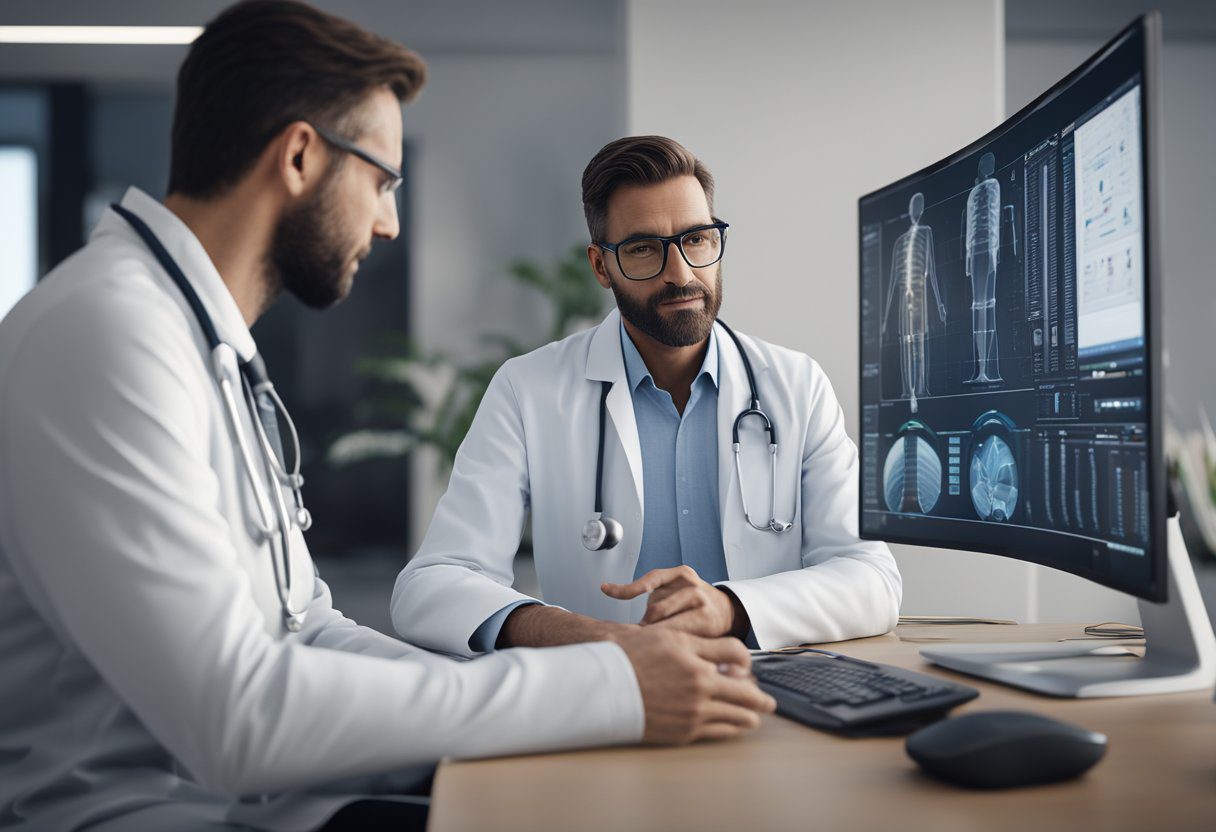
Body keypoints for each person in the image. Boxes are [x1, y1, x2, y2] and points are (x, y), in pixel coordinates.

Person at [0, 5, 774, 831]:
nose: (388, 220)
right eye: (381, 178)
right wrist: (605, 689)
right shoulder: (108, 335)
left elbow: (305, 627)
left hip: (244, 799)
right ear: (299, 156)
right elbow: (239, 717)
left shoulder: (194, 342)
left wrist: (602, 667)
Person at [392, 136, 903, 658]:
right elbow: (432, 585)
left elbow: (871, 578)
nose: (680, 273)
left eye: (697, 239)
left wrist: (730, 609)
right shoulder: (527, 389)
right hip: (603, 689)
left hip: (767, 689)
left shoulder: (796, 385)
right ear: (600, 266)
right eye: (643, 250)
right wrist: (589, 636)